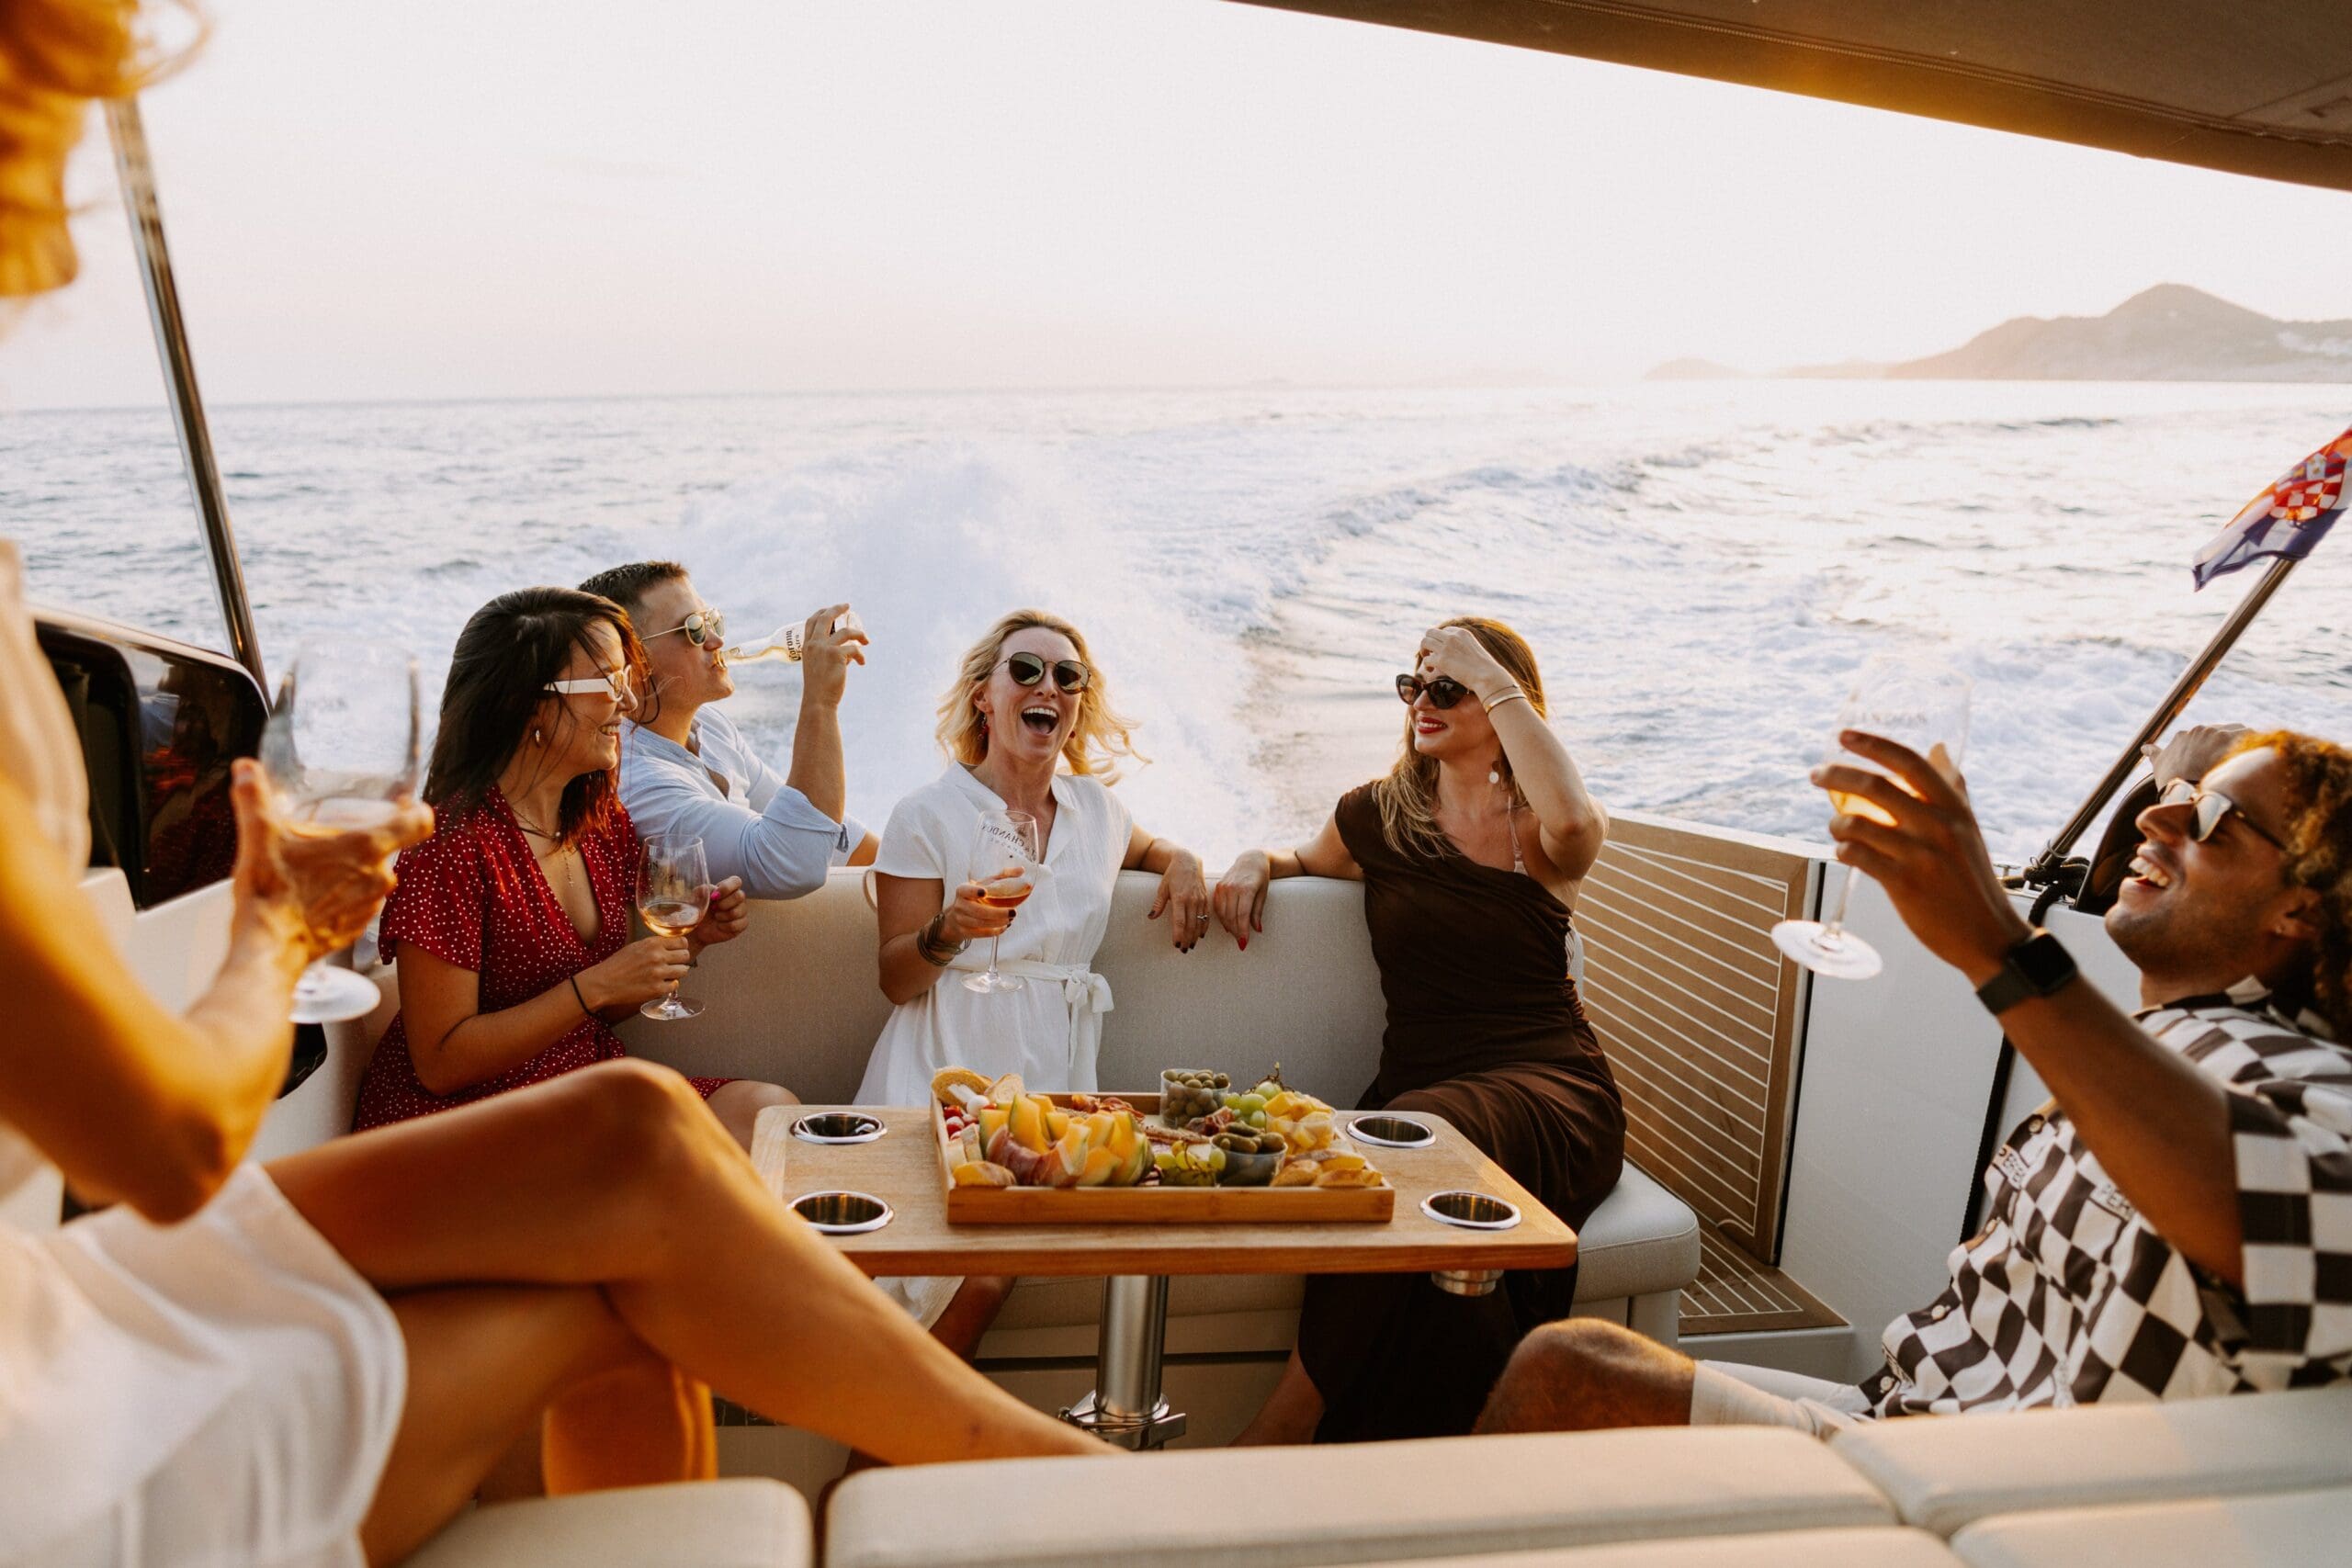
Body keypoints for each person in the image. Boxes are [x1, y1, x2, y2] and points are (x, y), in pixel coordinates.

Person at [1476, 727, 2352, 1438]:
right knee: (1548, 1359)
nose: (2161, 821)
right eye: (2174, 799)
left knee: (1570, 1375)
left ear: (2302, 908)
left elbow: (2305, 1220)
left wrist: (1999, 944)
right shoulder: (2167, 1042)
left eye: (2214, 819)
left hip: (1977, 1478)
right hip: (1900, 1406)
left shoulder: (2310, 1079)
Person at [1216, 617, 1625, 1443]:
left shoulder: (1545, 826)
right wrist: (1255, 859)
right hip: (1422, 1090)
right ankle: (1453, 1446)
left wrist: (1488, 670)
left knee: (1411, 1143)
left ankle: (1286, 1423)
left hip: (1551, 1086)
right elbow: (1300, 859)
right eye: (1415, 686)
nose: (1422, 703)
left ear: (1507, 702)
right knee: (1375, 1159)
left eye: (1449, 687)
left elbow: (1578, 823)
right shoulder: (1379, 815)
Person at [861, 609, 1211, 1354]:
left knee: (997, 1263)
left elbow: (1150, 846)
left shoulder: (1100, 810)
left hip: (1051, 1083)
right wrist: (948, 930)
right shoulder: (925, 813)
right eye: (1024, 670)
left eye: (1066, 676)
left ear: (1078, 704)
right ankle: (881, 1460)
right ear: (984, 696)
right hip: (943, 1068)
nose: (1045, 685)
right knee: (974, 1274)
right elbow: (896, 976)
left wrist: (1183, 860)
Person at [350, 587, 795, 1150]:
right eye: (610, 683)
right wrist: (597, 985)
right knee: (695, 1163)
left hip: (578, 1092)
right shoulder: (449, 847)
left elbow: (594, 1011)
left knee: (771, 1116)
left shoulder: (600, 823)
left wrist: (692, 942)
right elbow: (440, 1060)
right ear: (530, 704)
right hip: (462, 1128)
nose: (629, 704)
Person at [579, 561, 877, 898]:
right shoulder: (637, 783)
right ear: (632, 664)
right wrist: (820, 703)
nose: (717, 640)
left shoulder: (711, 727)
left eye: (712, 621)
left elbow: (844, 842)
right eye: (693, 629)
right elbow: (791, 865)